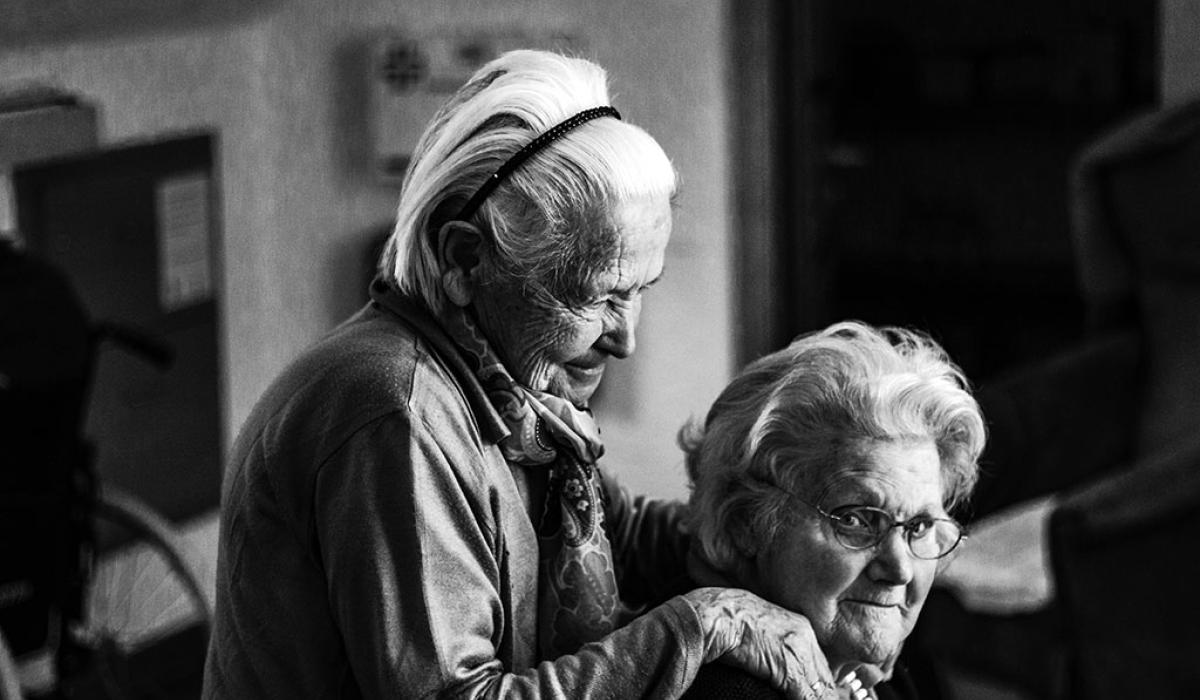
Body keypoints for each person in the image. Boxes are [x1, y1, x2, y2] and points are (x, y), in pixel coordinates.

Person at [203, 49, 846, 699]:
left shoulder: (513, 401)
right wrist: (703, 624)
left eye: (641, 289)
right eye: (598, 296)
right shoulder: (398, 413)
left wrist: (817, 532)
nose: (626, 338)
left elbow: (622, 535)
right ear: (463, 260)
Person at [679, 322, 985, 699]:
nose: (900, 569)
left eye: (919, 526)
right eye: (857, 520)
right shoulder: (728, 691)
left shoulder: (879, 672)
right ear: (746, 523)